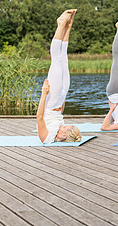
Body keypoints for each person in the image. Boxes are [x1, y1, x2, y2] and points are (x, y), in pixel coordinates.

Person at [37, 10, 82, 144]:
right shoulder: (59, 129)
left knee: (56, 60)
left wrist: (44, 94)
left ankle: (61, 24)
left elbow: (39, 117)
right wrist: (63, 98)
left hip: (51, 102)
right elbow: (59, 113)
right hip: (60, 98)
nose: (64, 126)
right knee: (64, 59)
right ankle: (68, 26)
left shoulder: (47, 137)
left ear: (63, 135)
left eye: (65, 127)